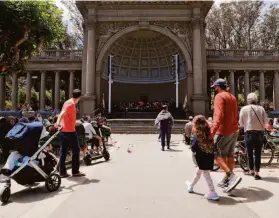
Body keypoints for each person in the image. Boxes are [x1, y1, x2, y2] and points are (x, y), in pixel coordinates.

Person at [211, 78, 241, 192]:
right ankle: (226, 180)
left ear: (218, 87)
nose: (214, 90)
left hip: (223, 131)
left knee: (214, 153)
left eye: (215, 88)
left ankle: (231, 176)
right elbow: (236, 114)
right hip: (234, 130)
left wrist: (212, 132)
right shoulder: (232, 97)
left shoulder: (219, 96)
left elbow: (218, 115)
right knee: (229, 155)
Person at [186, 115, 219, 201]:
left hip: (201, 156)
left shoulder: (197, 133)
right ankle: (191, 185)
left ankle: (213, 192)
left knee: (205, 173)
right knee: (199, 171)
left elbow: (193, 146)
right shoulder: (209, 131)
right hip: (209, 155)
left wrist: (193, 150)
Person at [55, 89, 85, 178]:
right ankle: (75, 171)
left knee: (63, 151)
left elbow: (64, 113)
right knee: (76, 150)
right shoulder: (71, 104)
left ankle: (62, 172)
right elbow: (62, 113)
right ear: (79, 97)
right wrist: (57, 122)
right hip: (70, 131)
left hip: (64, 131)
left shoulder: (68, 102)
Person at [239, 93, 268, 180]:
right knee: (258, 153)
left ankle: (251, 170)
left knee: (249, 153)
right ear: (256, 100)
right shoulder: (261, 109)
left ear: (248, 100)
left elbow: (241, 123)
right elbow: (265, 122)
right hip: (259, 134)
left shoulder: (243, 109)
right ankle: (257, 173)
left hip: (248, 133)